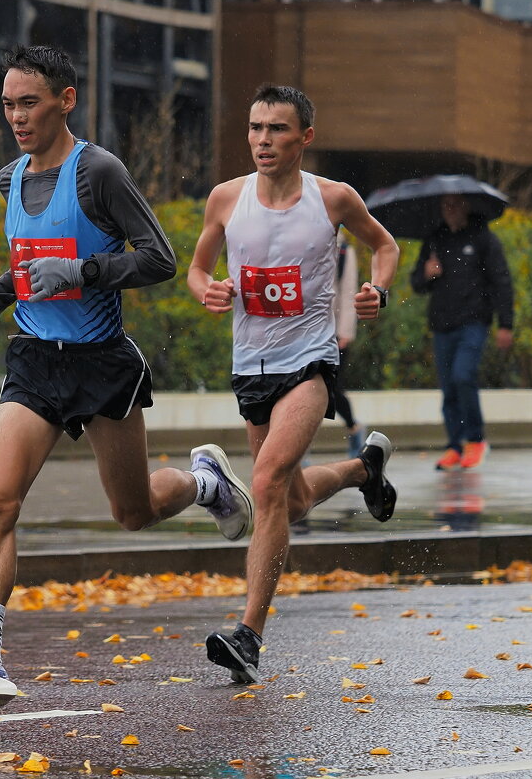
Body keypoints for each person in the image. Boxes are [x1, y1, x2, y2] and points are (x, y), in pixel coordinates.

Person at [0, 45, 255, 711]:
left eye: (29, 103)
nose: (17, 116)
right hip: (36, 361)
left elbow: (159, 257)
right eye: (9, 104)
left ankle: (203, 482)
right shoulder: (8, 177)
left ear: (65, 99)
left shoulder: (98, 171)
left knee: (132, 512)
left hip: (103, 363)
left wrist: (83, 274)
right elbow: (28, 258)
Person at [187, 84, 400, 684]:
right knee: (292, 499)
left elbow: (386, 246)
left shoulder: (332, 199)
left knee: (267, 480)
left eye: (277, 129)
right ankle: (364, 470)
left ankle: (248, 636)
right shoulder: (226, 199)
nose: (263, 140)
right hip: (249, 365)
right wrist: (206, 289)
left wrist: (376, 291)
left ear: (304, 137)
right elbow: (198, 268)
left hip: (309, 363)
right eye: (255, 128)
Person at [411, 193, 514, 471]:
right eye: (446, 205)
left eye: (455, 204)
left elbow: (501, 280)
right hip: (442, 324)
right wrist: (427, 273)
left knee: (463, 375)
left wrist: (506, 323)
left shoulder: (483, 239)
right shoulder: (434, 239)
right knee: (449, 389)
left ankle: (476, 440)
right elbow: (416, 283)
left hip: (474, 321)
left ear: (466, 206)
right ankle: (454, 445)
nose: (450, 209)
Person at [333, 226, 366, 458]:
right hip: (303, 332)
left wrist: (344, 332)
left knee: (331, 389)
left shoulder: (344, 252)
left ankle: (354, 428)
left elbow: (348, 292)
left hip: (333, 332)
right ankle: (298, 455)